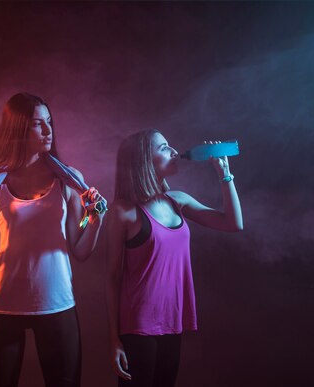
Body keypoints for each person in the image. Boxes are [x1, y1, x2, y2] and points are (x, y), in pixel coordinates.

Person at [0, 92, 105, 387]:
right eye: (38, 124)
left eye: (49, 122)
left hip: (57, 304)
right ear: (19, 129)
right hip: (2, 307)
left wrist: (96, 219)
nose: (48, 131)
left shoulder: (69, 180)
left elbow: (81, 250)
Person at [105, 129, 243, 387]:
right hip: (137, 326)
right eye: (163, 147)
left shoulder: (177, 200)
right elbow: (113, 277)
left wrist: (225, 174)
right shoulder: (123, 211)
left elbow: (233, 223)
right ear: (144, 160)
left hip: (172, 321)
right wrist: (114, 339)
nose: (173, 151)